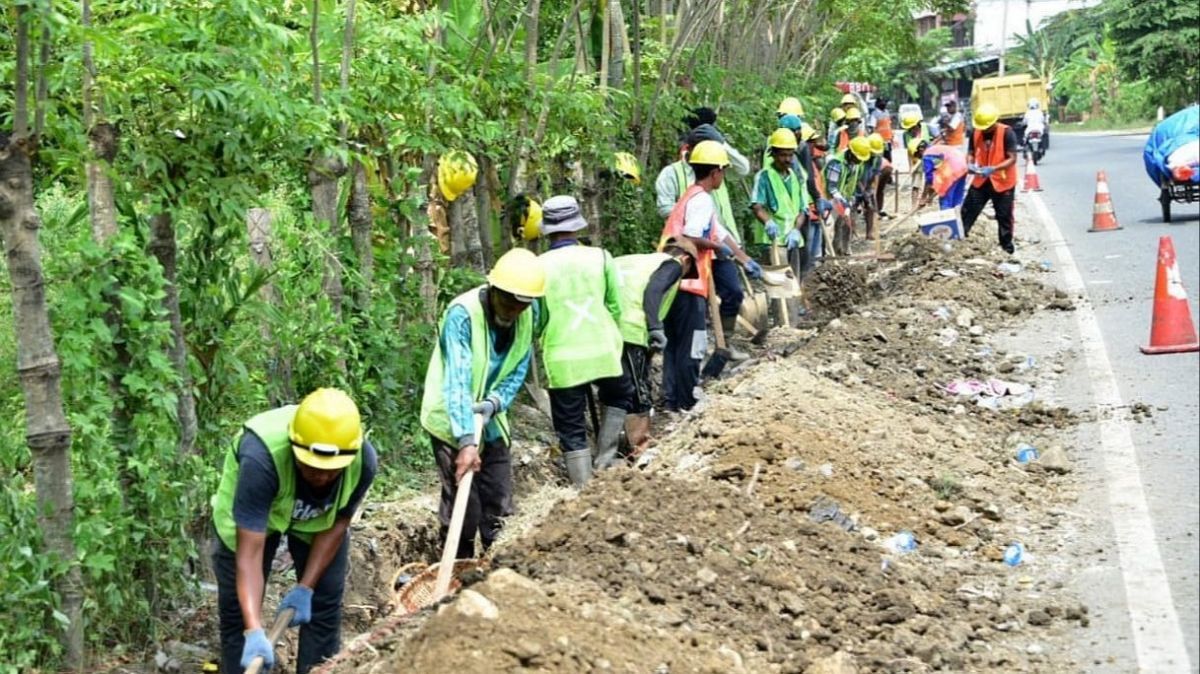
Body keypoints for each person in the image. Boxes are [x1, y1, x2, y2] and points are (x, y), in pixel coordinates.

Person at [210, 388, 377, 674]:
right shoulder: (261, 458)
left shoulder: (362, 462)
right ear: (295, 448)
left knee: (323, 605)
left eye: (330, 470)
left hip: (317, 521)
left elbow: (337, 524)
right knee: (240, 619)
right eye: (311, 467)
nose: (321, 476)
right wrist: (253, 630)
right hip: (248, 521)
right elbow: (249, 556)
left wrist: (305, 588)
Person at [420, 248, 544, 560]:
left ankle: (498, 570)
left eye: (522, 304)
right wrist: (465, 441)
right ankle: (457, 569)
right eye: (508, 302)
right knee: (465, 507)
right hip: (451, 418)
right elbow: (458, 380)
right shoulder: (462, 315)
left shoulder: (530, 314)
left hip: (490, 418)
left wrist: (496, 401)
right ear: (493, 290)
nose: (514, 310)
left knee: (499, 502)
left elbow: (518, 364)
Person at [658, 141, 761, 413]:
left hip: (671, 279)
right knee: (692, 343)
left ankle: (671, 398)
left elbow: (718, 231)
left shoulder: (692, 196)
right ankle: (687, 400)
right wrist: (717, 248)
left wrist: (744, 259)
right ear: (715, 172)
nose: (723, 177)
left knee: (675, 342)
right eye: (723, 172)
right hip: (688, 280)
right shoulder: (701, 199)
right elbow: (693, 236)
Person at [536, 195, 632, 486]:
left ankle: (582, 487)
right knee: (618, 394)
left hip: (562, 359)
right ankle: (605, 459)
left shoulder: (538, 266)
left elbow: (537, 318)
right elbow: (616, 305)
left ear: (547, 230)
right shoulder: (600, 257)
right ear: (577, 227)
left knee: (570, 424)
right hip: (603, 349)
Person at [654, 122, 755, 359]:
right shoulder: (683, 180)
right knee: (690, 322)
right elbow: (690, 231)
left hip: (708, 250)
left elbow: (716, 227)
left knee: (732, 292)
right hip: (687, 262)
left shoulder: (707, 186)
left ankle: (722, 343)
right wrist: (714, 244)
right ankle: (688, 378)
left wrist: (742, 257)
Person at [604, 237, 698, 465]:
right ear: (685, 259)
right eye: (687, 272)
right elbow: (654, 290)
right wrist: (655, 326)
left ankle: (609, 450)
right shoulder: (673, 264)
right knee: (637, 390)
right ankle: (640, 449)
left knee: (613, 389)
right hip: (630, 328)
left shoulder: (631, 261)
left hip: (602, 327)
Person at [962, 103, 1019, 254]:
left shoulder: (1007, 133)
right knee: (968, 210)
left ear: (994, 122)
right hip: (981, 180)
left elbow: (1012, 158)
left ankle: (1006, 248)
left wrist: (994, 168)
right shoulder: (976, 132)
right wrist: (970, 164)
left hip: (1002, 181)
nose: (984, 130)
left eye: (987, 127)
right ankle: (959, 239)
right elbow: (971, 152)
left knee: (1004, 215)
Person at [752, 128, 810, 273]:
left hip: (792, 240)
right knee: (778, 286)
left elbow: (802, 210)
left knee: (793, 284)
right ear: (774, 154)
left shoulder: (795, 177)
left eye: (790, 155)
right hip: (773, 240)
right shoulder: (764, 177)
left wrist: (796, 230)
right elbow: (757, 206)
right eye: (783, 155)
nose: (787, 160)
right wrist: (768, 222)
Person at [824, 136, 872, 255]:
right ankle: (829, 257)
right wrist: (843, 202)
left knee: (846, 225)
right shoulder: (836, 163)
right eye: (858, 158)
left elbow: (855, 181)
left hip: (845, 198)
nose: (859, 161)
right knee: (830, 228)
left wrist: (857, 197)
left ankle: (843, 252)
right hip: (830, 200)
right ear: (851, 153)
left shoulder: (857, 164)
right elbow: (831, 188)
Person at [862, 133, 894, 237]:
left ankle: (870, 233)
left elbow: (875, 175)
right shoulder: (861, 156)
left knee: (871, 205)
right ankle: (851, 234)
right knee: (853, 206)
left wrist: (871, 192)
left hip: (871, 177)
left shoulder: (877, 159)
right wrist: (863, 191)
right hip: (857, 182)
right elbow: (857, 176)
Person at [867, 98, 894, 162]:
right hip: (879, 141)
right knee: (879, 157)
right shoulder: (874, 114)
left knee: (887, 156)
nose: (884, 104)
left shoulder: (886, 112)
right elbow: (872, 128)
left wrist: (892, 136)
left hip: (887, 140)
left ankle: (887, 169)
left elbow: (889, 125)